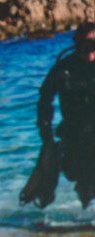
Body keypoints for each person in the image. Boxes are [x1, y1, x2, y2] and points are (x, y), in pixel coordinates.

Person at [21, 22, 95, 209]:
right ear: (76, 44)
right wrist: (45, 134)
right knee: (84, 181)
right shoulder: (64, 69)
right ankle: (85, 213)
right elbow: (45, 98)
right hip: (75, 136)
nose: (89, 51)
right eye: (84, 45)